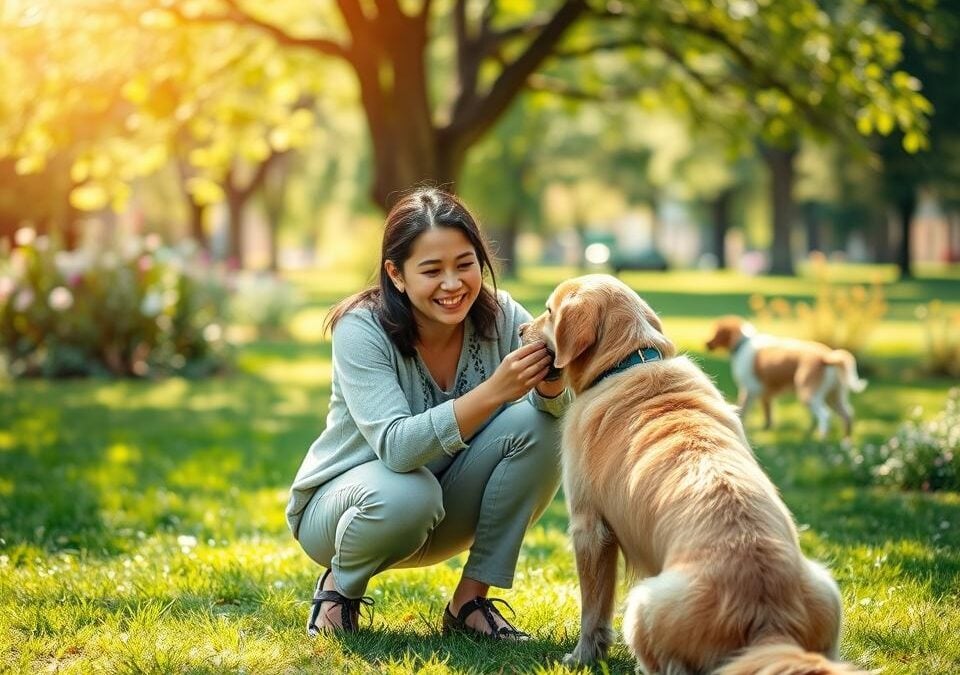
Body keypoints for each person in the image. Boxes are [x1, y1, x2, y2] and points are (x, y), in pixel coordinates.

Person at [285, 187, 572, 640]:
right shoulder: (361, 327)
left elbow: (559, 411)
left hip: (442, 507)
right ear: (396, 274)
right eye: (432, 270)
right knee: (410, 492)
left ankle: (469, 604)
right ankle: (339, 590)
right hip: (346, 515)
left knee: (544, 425)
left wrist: (552, 382)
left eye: (464, 264)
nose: (453, 284)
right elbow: (397, 449)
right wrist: (494, 392)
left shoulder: (501, 317)